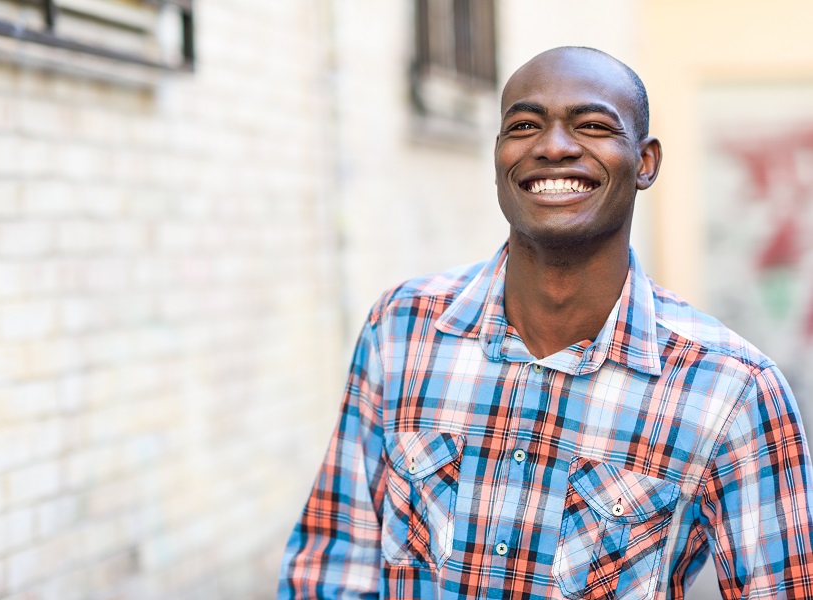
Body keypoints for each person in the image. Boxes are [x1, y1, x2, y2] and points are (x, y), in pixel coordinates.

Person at [278, 46, 813, 599]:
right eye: (526, 125)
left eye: (592, 125)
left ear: (646, 162)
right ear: (499, 157)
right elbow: (335, 566)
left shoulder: (733, 388)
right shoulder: (402, 329)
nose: (553, 146)